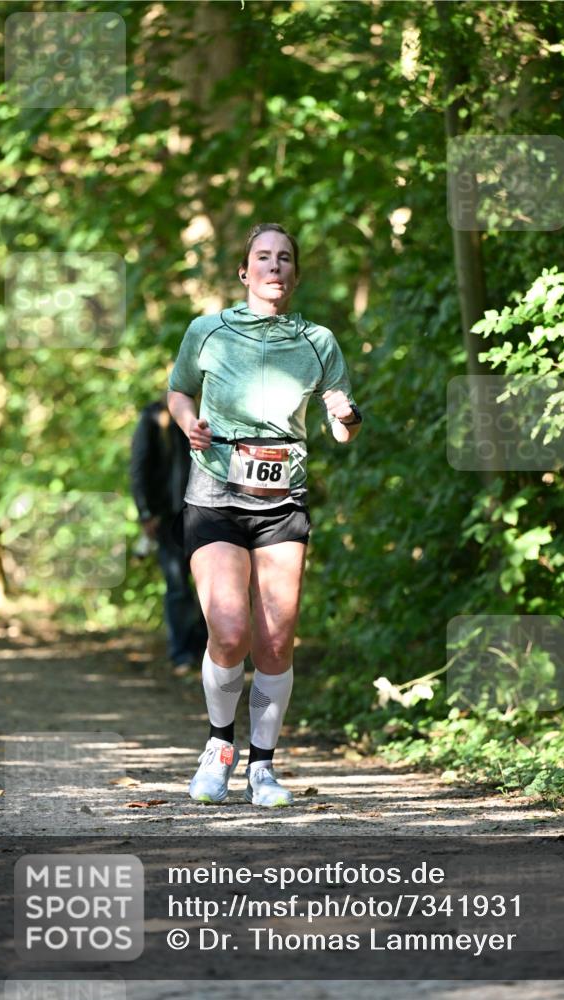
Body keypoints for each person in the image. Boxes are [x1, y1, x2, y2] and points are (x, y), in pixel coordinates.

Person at [167, 223, 362, 808]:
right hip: (216, 494)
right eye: (262, 257)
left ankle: (263, 768)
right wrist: (187, 423)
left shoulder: (318, 341)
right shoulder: (208, 331)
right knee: (229, 631)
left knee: (276, 640)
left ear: (294, 275)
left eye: (284, 259)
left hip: (283, 502)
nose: (273, 266)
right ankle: (218, 748)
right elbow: (178, 392)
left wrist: (344, 414)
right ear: (244, 272)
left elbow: (342, 427)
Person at [130, 394, 209, 672]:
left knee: (209, 587)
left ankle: (204, 650)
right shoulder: (155, 417)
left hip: (207, 515)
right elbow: (139, 467)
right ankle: (181, 654)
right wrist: (145, 512)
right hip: (169, 517)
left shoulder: (211, 411)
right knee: (177, 588)